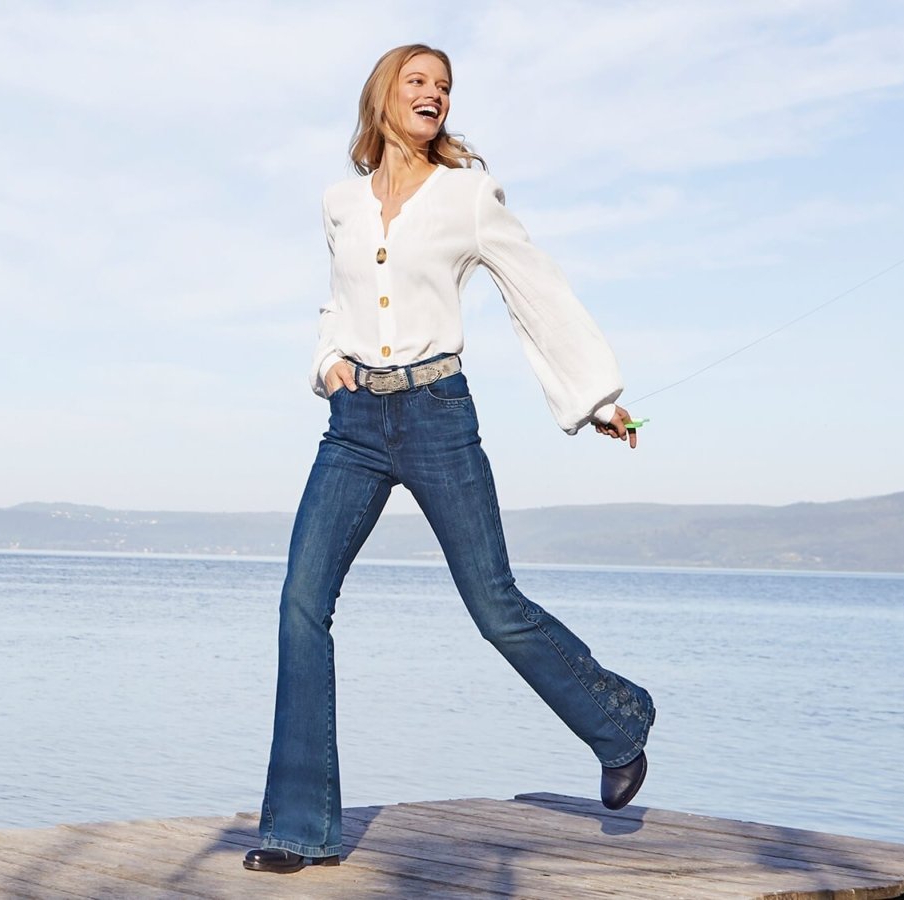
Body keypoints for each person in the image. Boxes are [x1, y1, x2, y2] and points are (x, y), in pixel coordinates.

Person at [244, 43, 656, 875]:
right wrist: (328, 365)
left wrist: (594, 398)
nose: (433, 94)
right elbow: (339, 302)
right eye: (418, 82)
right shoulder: (341, 202)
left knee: (494, 605)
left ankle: (618, 724)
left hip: (437, 414)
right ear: (384, 97)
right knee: (300, 601)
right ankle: (298, 829)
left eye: (444, 86)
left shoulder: (468, 196)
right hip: (354, 421)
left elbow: (534, 286)